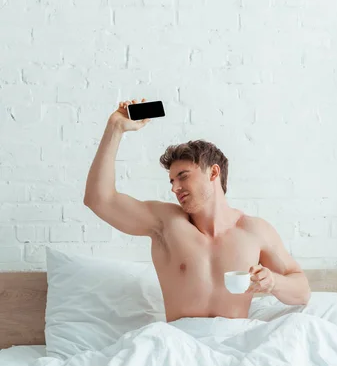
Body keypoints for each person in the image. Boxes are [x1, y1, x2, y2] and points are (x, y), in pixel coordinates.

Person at [84, 98, 311, 323]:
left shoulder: (255, 230)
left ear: (213, 173)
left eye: (182, 176)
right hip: (180, 344)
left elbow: (302, 291)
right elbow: (99, 199)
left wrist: (273, 282)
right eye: (171, 181)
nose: (174, 188)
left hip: (233, 343)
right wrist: (115, 128)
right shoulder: (166, 223)